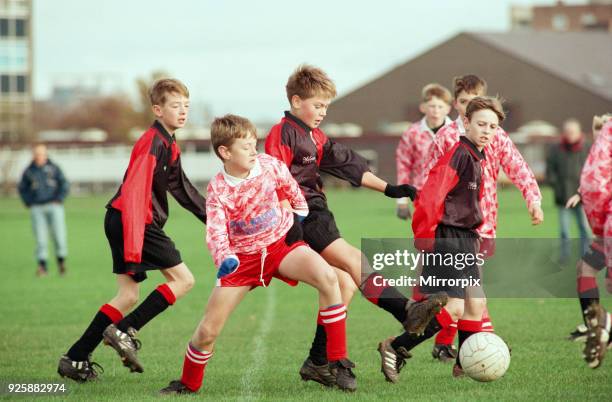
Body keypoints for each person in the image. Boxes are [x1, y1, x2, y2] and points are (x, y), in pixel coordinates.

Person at [265, 64, 446, 387]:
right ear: (295, 101)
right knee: (353, 260)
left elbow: (349, 165)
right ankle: (405, 311)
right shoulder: (283, 132)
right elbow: (275, 177)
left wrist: (390, 189)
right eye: (317, 105)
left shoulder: (316, 136)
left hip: (317, 212)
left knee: (344, 284)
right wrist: (287, 216)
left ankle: (318, 360)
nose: (322, 112)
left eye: (325, 106)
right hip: (302, 215)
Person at [160, 114, 356, 394]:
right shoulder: (218, 189)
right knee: (207, 333)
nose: (254, 151)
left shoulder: (270, 165)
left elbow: (294, 192)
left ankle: (337, 362)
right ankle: (188, 384)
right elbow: (215, 232)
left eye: (255, 144)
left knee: (328, 277)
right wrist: (224, 258)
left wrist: (297, 222)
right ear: (224, 152)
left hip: (280, 247)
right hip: (242, 262)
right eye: (245, 146)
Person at [57, 78, 207, 382]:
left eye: (186, 106)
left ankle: (74, 359)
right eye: (175, 105)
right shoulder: (152, 142)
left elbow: (181, 187)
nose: (183, 112)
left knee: (127, 295)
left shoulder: (168, 143)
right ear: (157, 109)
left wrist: (213, 217)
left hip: (122, 218)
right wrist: (135, 242)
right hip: (134, 219)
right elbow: (137, 191)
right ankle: (124, 330)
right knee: (184, 279)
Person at [414, 74, 543, 363]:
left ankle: (446, 343)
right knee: (471, 291)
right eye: (463, 102)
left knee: (466, 293)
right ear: (457, 105)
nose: (467, 106)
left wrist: (533, 199)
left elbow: (519, 167)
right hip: (453, 228)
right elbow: (428, 183)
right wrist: (426, 228)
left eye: (474, 101)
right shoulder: (447, 138)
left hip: (485, 224)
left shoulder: (495, 134)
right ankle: (481, 342)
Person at [379, 96, 507, 381]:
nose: (487, 130)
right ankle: (396, 347)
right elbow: (429, 197)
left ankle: (464, 363)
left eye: (493, 126)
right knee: (456, 305)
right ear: (465, 123)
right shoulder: (460, 154)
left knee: (476, 302)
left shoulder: (477, 156)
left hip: (466, 237)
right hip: (449, 238)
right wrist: (425, 238)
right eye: (481, 124)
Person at [563, 116, 612, 369]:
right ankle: (596, 326)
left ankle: (605, 326)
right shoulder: (604, 142)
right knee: (585, 269)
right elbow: (600, 171)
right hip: (605, 229)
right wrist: (582, 193)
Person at [396, 83, 452, 220]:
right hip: (422, 194)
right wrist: (401, 201)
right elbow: (403, 167)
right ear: (423, 108)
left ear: (448, 109)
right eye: (432, 106)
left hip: (453, 194)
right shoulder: (412, 133)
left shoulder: (457, 132)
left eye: (440, 107)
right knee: (427, 236)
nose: (436, 111)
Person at [18, 143, 70, 276]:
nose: (39, 156)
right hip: (37, 207)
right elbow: (22, 188)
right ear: (33, 155)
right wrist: (29, 202)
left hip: (54, 206)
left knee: (59, 235)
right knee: (40, 238)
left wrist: (59, 199)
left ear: (46, 154)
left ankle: (61, 263)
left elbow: (64, 184)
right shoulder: (29, 171)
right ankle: (42, 267)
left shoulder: (54, 168)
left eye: (41, 153)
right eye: (36, 154)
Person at [546, 118, 590, 264]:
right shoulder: (555, 149)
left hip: (582, 197)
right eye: (567, 132)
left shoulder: (587, 149)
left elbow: (591, 172)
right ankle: (564, 256)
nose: (570, 135)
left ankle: (586, 255)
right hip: (563, 196)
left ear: (579, 133)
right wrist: (557, 186)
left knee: (584, 228)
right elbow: (550, 171)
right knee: (564, 230)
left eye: (573, 132)